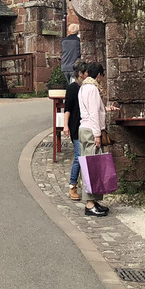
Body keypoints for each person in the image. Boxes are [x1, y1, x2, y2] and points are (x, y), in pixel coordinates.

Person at [77, 63, 108, 217]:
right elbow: (94, 113)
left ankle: (94, 201)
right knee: (92, 168)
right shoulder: (93, 89)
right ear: (99, 75)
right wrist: (97, 134)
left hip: (83, 128)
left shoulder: (83, 87)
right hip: (91, 129)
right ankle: (89, 204)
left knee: (89, 165)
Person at [63, 61, 87, 201]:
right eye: (85, 73)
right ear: (80, 74)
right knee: (78, 156)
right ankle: (72, 185)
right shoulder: (73, 88)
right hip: (75, 127)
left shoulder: (86, 88)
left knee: (83, 156)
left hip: (84, 126)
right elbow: (68, 108)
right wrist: (66, 126)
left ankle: (85, 184)